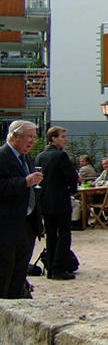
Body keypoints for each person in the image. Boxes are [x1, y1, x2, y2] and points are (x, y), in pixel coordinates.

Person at [0, 121, 43, 298]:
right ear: (15, 136)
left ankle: (17, 302)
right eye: (29, 137)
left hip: (27, 224)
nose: (32, 141)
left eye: (34, 137)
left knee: (20, 271)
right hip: (7, 225)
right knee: (5, 271)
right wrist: (23, 182)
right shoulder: (2, 156)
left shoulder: (26, 158)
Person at [35, 127, 79, 280]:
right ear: (53, 138)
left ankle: (51, 267)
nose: (65, 139)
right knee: (64, 234)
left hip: (45, 201)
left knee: (51, 234)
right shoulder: (60, 156)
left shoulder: (40, 156)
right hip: (60, 199)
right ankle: (59, 268)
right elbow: (71, 176)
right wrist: (73, 190)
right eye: (63, 136)